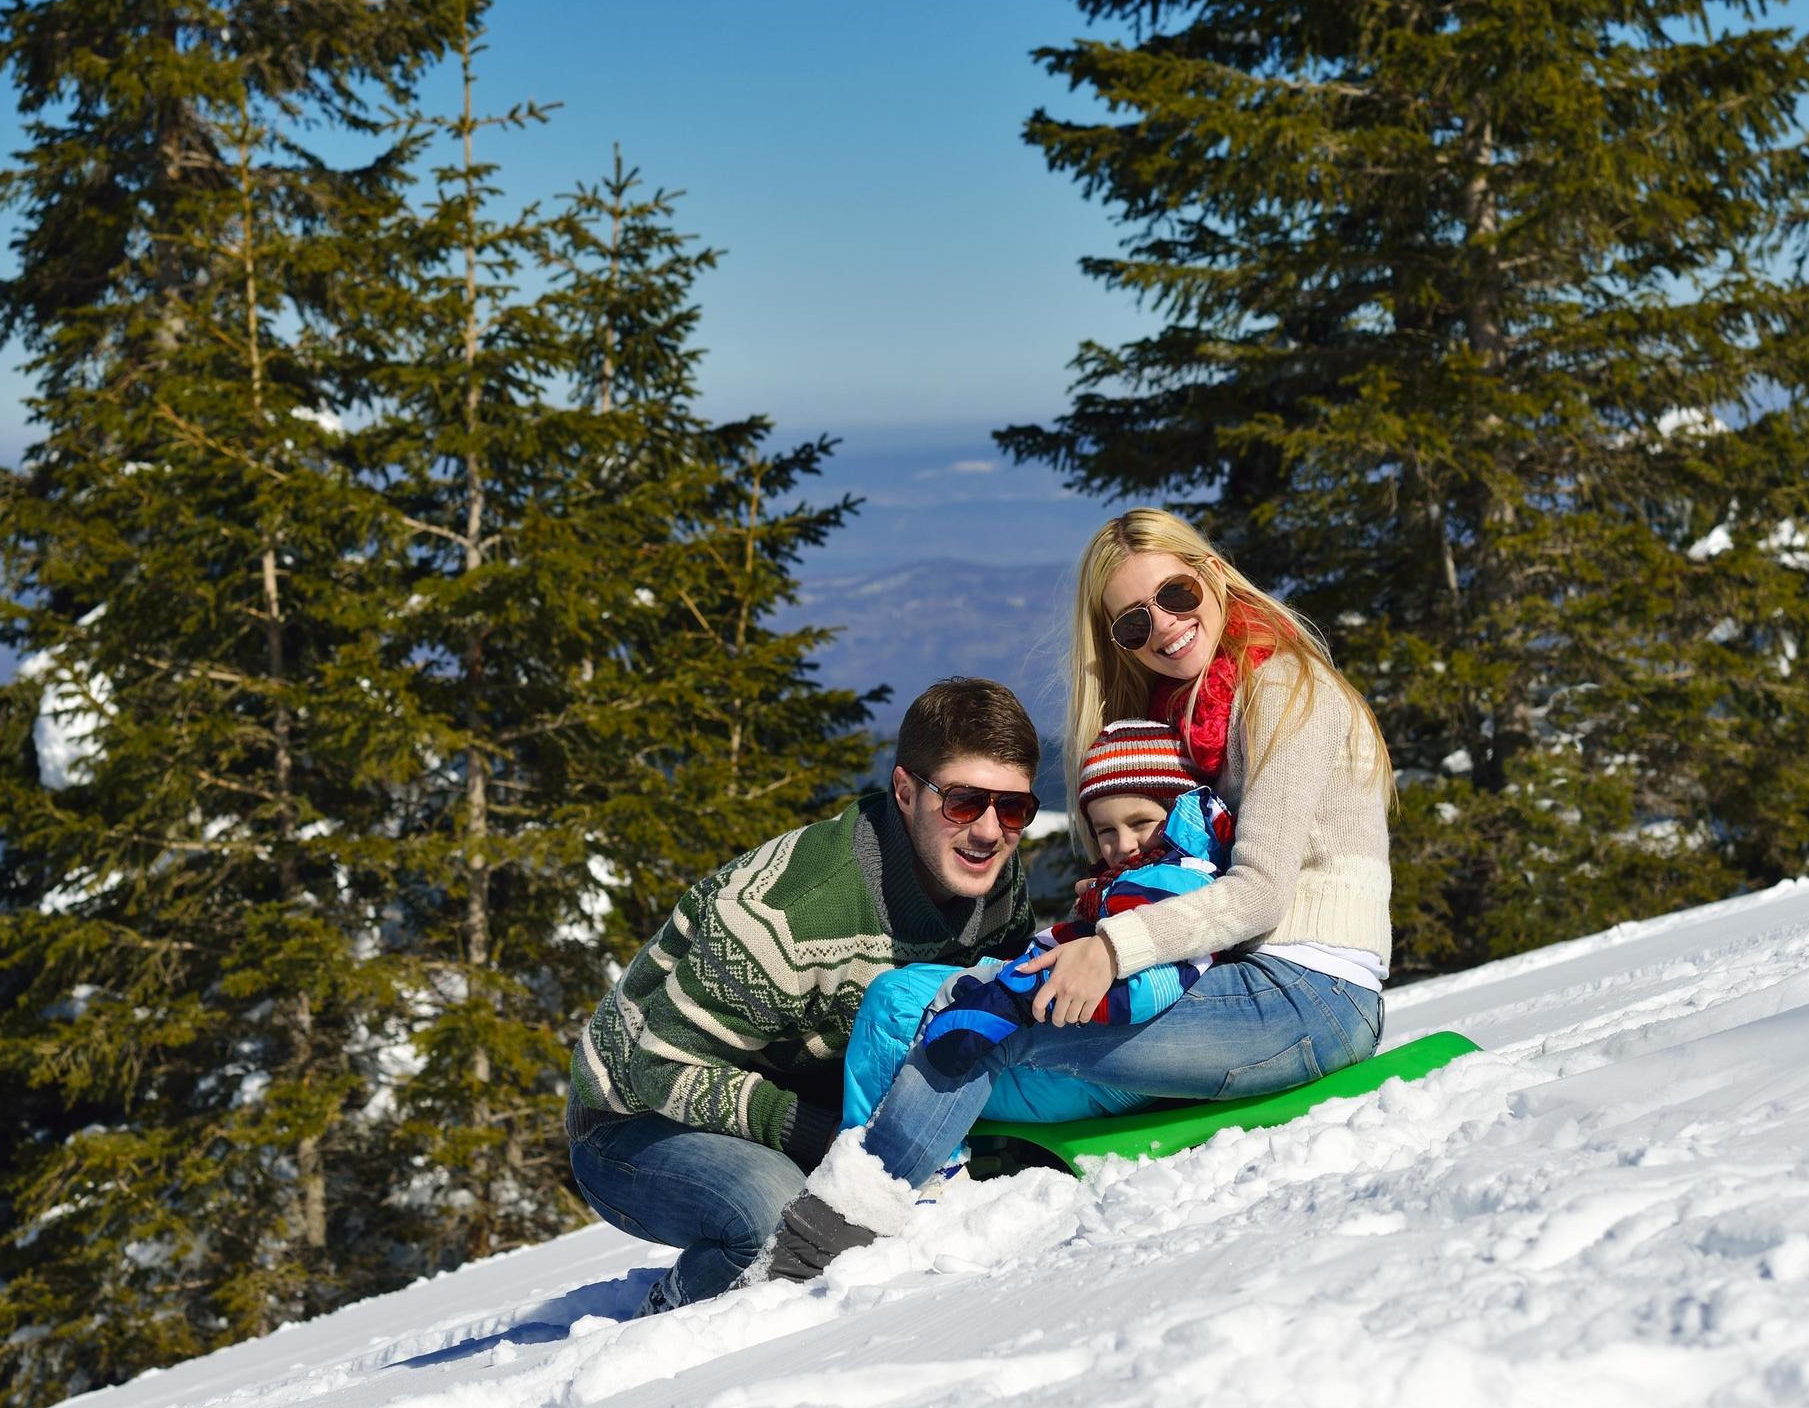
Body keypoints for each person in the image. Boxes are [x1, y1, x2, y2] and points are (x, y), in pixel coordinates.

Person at [754, 509, 1395, 1284]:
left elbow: (1258, 895)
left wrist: (1111, 949)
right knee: (923, 997)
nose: (1164, 626)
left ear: (1213, 576)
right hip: (1236, 979)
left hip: (1309, 994)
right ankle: (907, 1194)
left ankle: (826, 1244)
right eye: (1133, 622)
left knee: (989, 1024)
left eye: (1176, 593)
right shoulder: (1188, 715)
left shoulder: (1283, 688)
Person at [565, 678, 1040, 1311]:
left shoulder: (996, 887)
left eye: (1014, 809)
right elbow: (660, 1068)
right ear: (905, 791)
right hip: (633, 1118)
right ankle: (662, 1322)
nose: (989, 830)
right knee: (788, 1223)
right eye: (963, 802)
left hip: (809, 1090)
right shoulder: (791, 914)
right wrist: (824, 1136)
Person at [837, 718, 1221, 1120]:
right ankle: (876, 1152)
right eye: (1105, 830)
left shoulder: (1175, 881)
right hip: (1077, 1055)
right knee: (903, 992)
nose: (1122, 845)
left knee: (897, 1004)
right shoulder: (1146, 877)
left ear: (1180, 814)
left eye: (1141, 823)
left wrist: (1011, 997)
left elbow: (1149, 990)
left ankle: (876, 1157)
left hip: (1088, 1071)